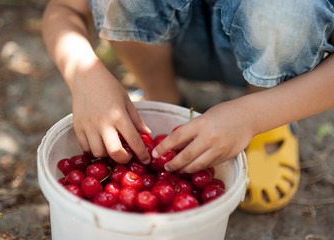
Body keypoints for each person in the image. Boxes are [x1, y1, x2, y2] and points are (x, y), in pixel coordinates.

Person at [42, 0, 334, 213]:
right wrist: (84, 73)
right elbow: (65, 8)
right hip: (175, 44)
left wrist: (253, 116)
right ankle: (162, 98)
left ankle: (267, 120)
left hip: (277, 56)